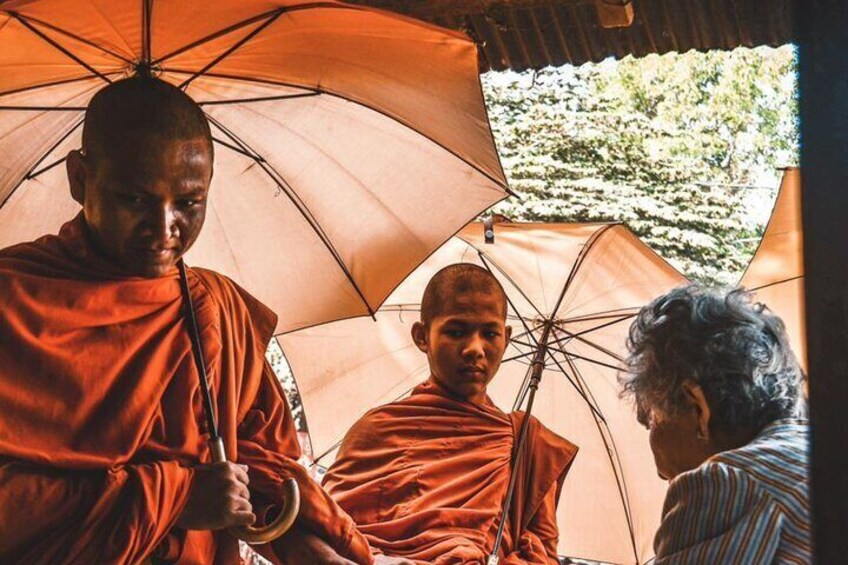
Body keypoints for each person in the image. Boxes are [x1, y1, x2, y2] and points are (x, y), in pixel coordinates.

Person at [0, 76, 371, 564]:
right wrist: (174, 498)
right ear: (79, 178)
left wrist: (314, 552)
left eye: (189, 202)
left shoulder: (213, 309)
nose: (164, 227)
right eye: (135, 200)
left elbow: (261, 475)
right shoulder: (14, 298)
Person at [323, 264, 578, 565]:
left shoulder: (526, 444)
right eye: (456, 332)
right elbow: (330, 532)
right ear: (422, 336)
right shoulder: (378, 430)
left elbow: (542, 553)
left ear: (506, 338)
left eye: (490, 333)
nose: (475, 349)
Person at [620, 285, 810, 564]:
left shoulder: (726, 481)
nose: (663, 476)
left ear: (698, 407)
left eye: (650, 421)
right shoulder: (817, 453)